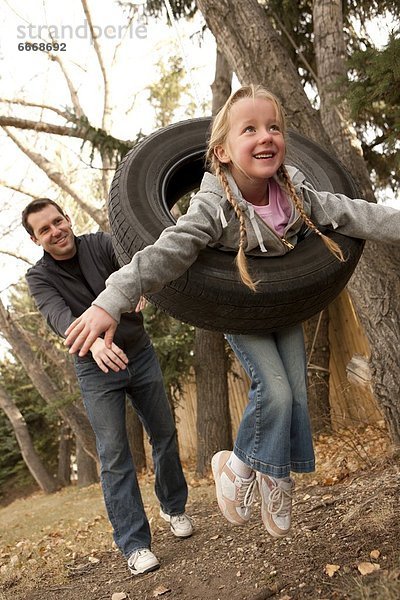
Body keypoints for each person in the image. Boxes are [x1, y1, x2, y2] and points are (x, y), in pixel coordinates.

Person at [63, 84, 400, 539]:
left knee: (296, 397)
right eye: (251, 129)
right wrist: (110, 300)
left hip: (283, 303)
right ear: (222, 151)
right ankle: (253, 474)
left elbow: (357, 213)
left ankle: (252, 468)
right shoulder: (213, 205)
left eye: (274, 127)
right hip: (240, 307)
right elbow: (167, 250)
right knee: (276, 393)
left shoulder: (297, 192)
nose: (266, 137)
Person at [22, 199, 193, 576]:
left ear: (68, 219)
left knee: (164, 434)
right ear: (36, 240)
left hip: (140, 353)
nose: (56, 231)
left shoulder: (101, 243)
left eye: (57, 221)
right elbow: (58, 316)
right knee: (115, 455)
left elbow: (134, 269)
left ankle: (173, 506)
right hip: (94, 367)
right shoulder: (39, 278)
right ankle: (134, 545)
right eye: (44, 230)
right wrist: (94, 342)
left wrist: (140, 289)